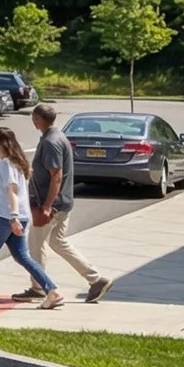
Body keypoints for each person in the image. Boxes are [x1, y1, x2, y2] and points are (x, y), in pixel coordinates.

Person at [22, 104, 112, 304]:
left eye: (34, 118)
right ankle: (96, 279)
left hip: (51, 206)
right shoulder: (57, 137)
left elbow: (56, 176)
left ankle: (38, 287)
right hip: (63, 203)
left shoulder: (51, 142)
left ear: (38, 119)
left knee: (36, 246)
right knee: (58, 242)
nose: (33, 121)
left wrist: (46, 206)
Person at [0, 125, 60, 310]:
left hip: (2, 217)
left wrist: (13, 217)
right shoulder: (18, 163)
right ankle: (52, 290)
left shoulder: (6, 164)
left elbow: (12, 191)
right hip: (17, 216)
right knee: (22, 256)